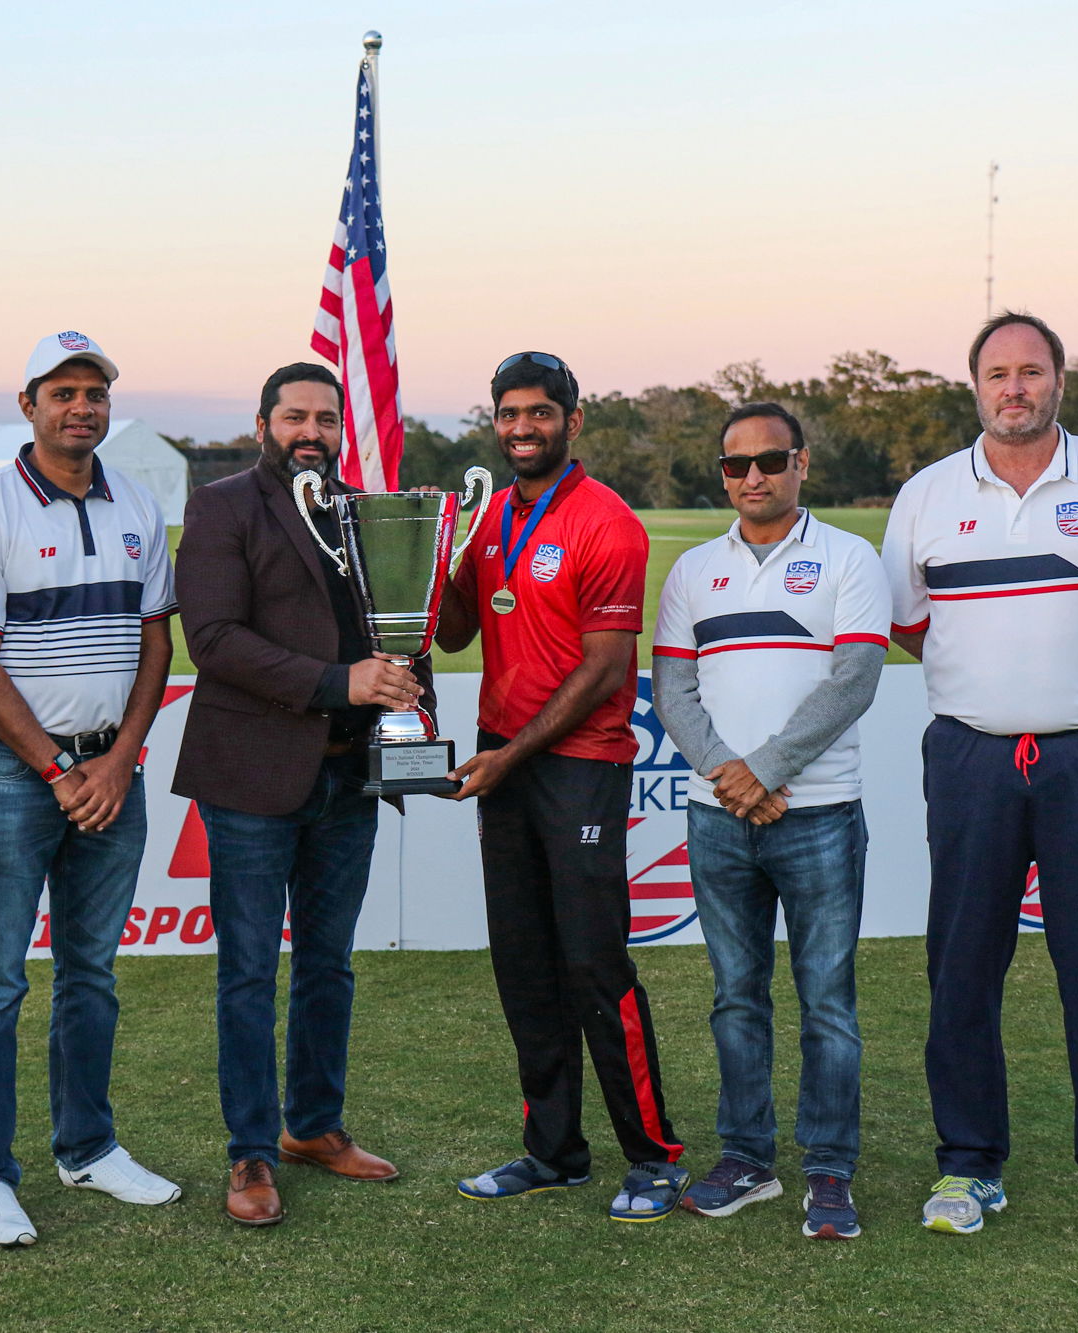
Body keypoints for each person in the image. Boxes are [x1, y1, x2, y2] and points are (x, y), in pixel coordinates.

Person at [882, 311, 1078, 1250]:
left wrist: (1074, 681)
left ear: (1060, 379)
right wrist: (999, 690)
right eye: (997, 373)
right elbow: (910, 623)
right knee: (963, 963)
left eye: (1030, 370)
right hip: (971, 754)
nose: (1013, 388)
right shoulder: (928, 494)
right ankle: (969, 1162)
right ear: (975, 386)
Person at [0, 331, 182, 1247]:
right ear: (29, 403)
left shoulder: (138, 503)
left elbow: (157, 642)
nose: (82, 406)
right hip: (15, 773)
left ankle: (87, 1146)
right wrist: (57, 768)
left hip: (114, 771)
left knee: (91, 972)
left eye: (96, 393)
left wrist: (119, 760)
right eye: (64, 391)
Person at [172, 362, 426, 1226]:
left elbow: (403, 625)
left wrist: (407, 698)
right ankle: (249, 1150)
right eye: (294, 417)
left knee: (329, 964)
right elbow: (212, 638)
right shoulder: (223, 506)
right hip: (252, 775)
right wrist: (336, 681)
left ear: (341, 427)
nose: (309, 431)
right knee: (249, 970)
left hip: (349, 777)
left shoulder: (368, 512)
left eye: (325, 417)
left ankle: (313, 1125)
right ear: (263, 424)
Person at [436, 351, 688, 1223]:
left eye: (539, 412)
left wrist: (511, 755)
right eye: (509, 413)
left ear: (572, 421)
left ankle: (653, 1156)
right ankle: (554, 1150)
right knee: (524, 964)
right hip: (502, 757)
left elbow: (606, 666)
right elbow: (457, 632)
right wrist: (431, 561)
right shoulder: (490, 516)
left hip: (579, 762)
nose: (522, 428)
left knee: (593, 963)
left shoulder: (607, 521)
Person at [650, 403, 889, 1240]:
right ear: (722, 474)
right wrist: (732, 775)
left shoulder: (849, 557)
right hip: (719, 816)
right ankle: (746, 1156)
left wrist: (766, 770)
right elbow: (673, 689)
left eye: (770, 460)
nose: (752, 476)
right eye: (735, 464)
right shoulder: (692, 571)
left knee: (828, 1002)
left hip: (818, 814)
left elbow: (854, 680)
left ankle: (829, 1167)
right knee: (735, 999)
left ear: (802, 463)